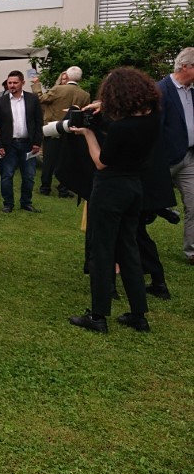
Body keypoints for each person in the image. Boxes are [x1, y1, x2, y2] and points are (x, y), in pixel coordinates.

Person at [69, 68, 161, 334]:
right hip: (134, 187)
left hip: (110, 189)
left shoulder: (121, 128)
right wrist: (101, 109)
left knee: (102, 251)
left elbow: (101, 162)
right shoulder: (152, 119)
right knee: (128, 249)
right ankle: (138, 315)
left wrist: (87, 133)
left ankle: (98, 315)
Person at [157, 47, 194, 265]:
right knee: (145, 204)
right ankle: (133, 244)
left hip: (189, 157)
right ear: (185, 67)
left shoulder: (192, 91)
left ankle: (192, 251)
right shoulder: (161, 90)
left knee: (193, 202)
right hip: (165, 159)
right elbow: (155, 128)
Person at [0, 70, 44, 213]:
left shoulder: (32, 99)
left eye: (15, 83)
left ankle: (26, 202)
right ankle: (8, 203)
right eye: (10, 83)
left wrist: (37, 142)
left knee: (29, 175)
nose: (12, 85)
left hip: (28, 143)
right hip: (9, 144)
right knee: (7, 175)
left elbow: (39, 122)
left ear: (22, 83)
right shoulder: (0, 102)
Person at [38, 66, 90, 197]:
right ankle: (63, 188)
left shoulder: (58, 89)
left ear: (67, 76)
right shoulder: (85, 95)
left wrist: (36, 86)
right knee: (66, 159)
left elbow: (42, 99)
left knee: (49, 159)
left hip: (54, 127)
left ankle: (45, 187)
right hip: (71, 130)